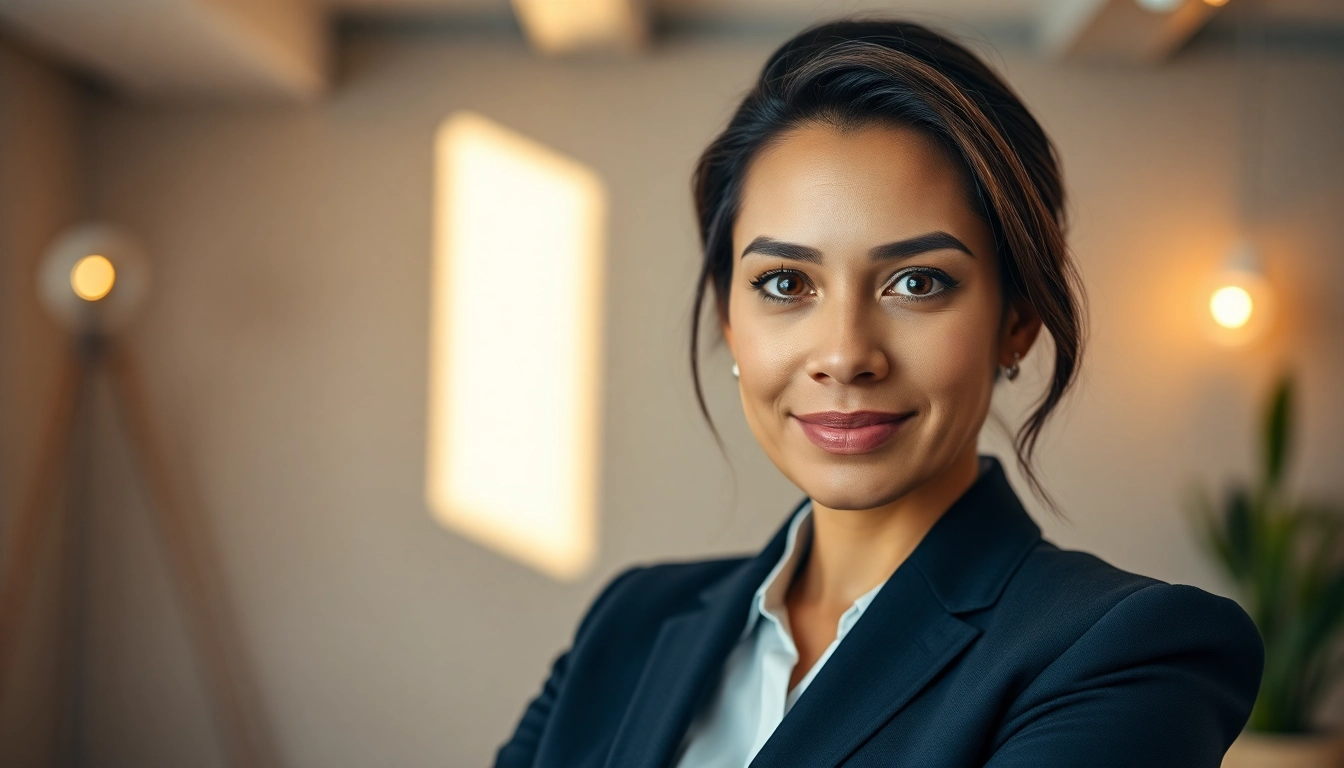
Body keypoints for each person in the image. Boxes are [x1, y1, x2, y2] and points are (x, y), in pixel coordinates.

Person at [494, 18, 1263, 768]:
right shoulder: (631, 622)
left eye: (916, 282)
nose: (844, 354)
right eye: (786, 282)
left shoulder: (1129, 651)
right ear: (731, 320)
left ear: (1018, 322)